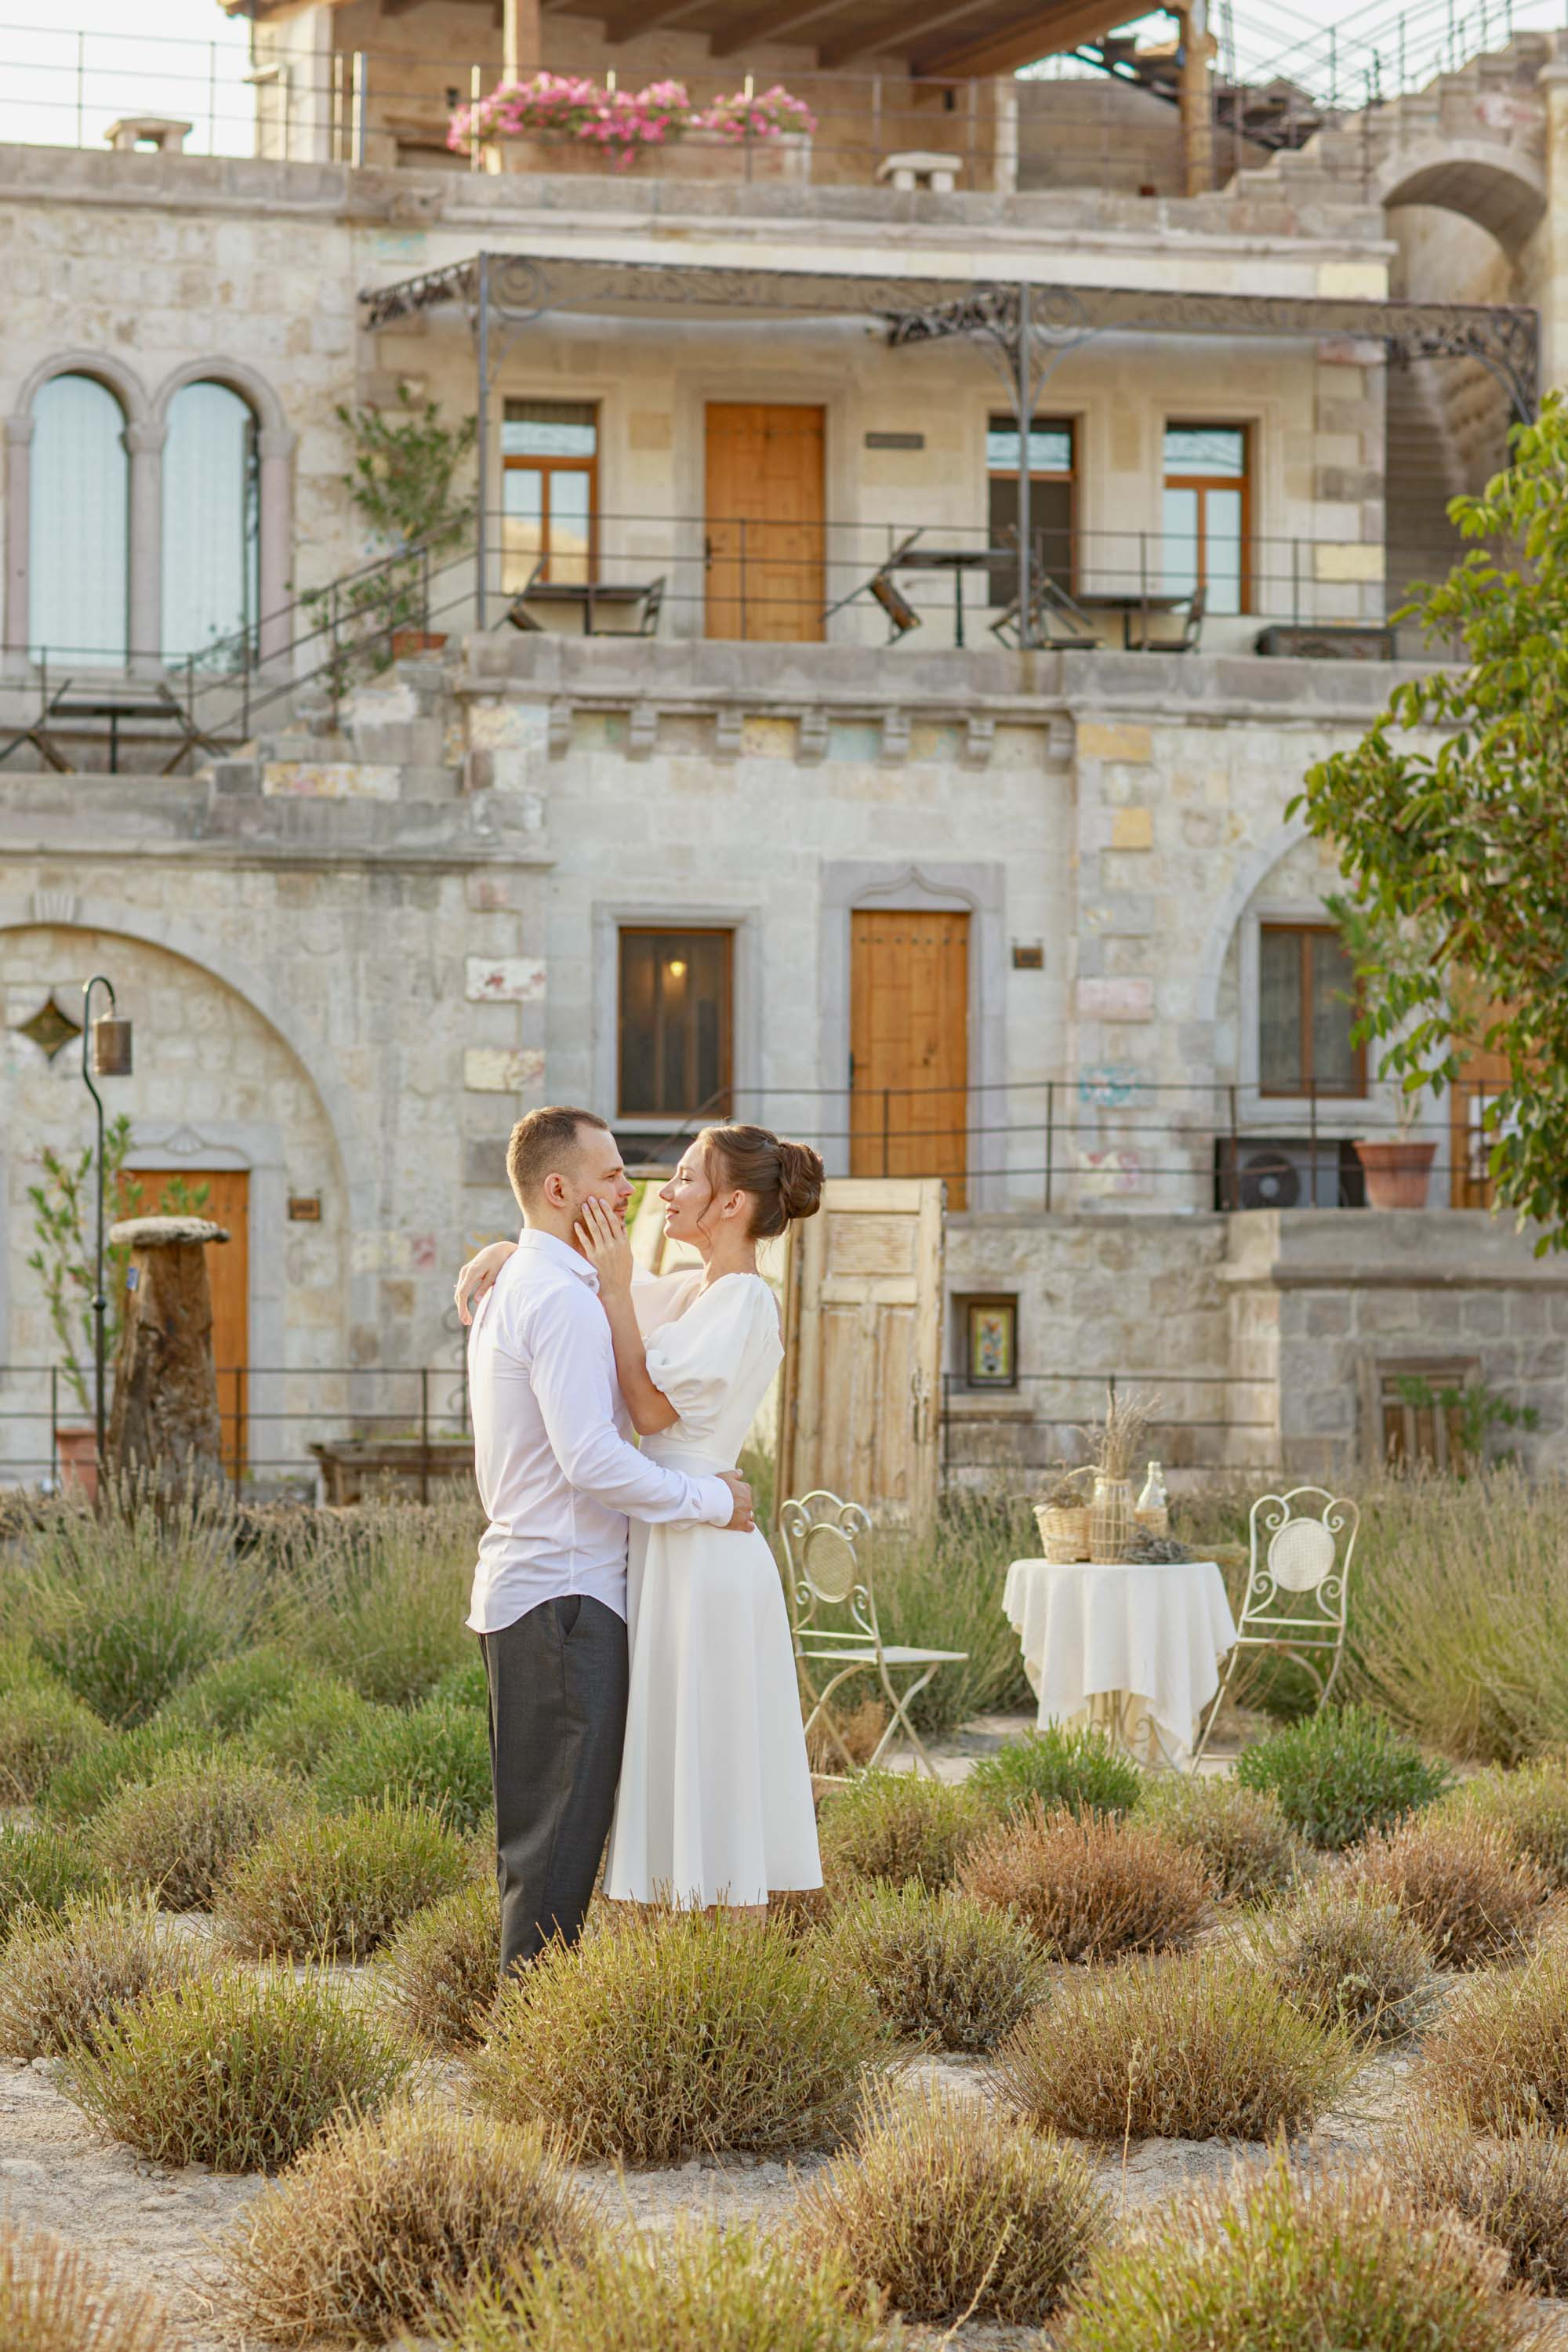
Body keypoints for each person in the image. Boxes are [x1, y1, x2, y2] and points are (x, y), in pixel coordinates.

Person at [461, 1121, 825, 1916]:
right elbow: (582, 1284)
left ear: (731, 1203)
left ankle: (730, 1987)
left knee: (713, 1769)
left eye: (687, 1178)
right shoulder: (688, 1290)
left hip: (706, 1544)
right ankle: (678, 1978)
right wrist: (512, 1251)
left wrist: (619, 1289)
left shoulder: (742, 1301)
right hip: (663, 1543)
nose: (664, 1192)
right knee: (667, 1769)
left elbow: (651, 1412)